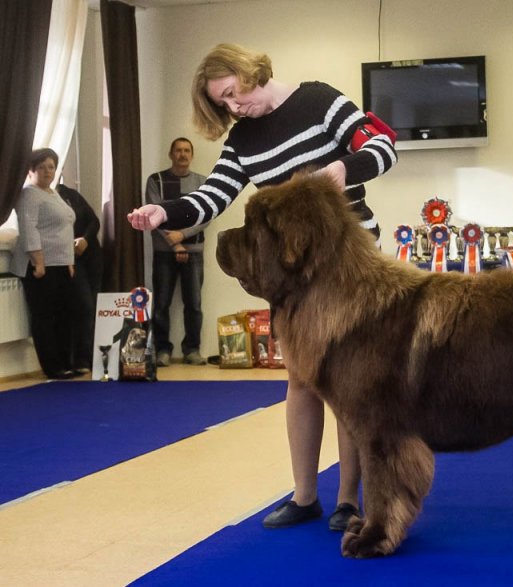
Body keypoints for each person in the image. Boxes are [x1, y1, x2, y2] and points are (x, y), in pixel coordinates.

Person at [128, 43, 397, 531]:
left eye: (232, 94)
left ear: (248, 72)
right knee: (300, 381)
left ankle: (348, 501)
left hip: (351, 268)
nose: (233, 108)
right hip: (292, 279)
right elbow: (213, 196)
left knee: (350, 384)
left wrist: (343, 168)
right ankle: (305, 496)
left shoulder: (319, 101)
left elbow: (382, 146)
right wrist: (165, 212)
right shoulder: (242, 140)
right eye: (222, 104)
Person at [11, 148, 77, 379]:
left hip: (61, 265)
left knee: (64, 314)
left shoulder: (52, 193)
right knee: (45, 317)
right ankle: (53, 367)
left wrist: (69, 261)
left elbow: (65, 229)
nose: (48, 171)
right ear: (31, 170)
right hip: (40, 267)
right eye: (42, 167)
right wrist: (38, 262)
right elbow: (29, 229)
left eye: (51, 166)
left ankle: (66, 362)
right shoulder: (29, 194)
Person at [145, 138, 208, 367]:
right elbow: (154, 215)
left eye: (186, 151)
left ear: (192, 155)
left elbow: (206, 216)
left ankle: (192, 350)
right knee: (161, 303)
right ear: (170, 154)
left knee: (194, 304)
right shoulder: (156, 180)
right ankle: (162, 350)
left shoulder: (202, 182)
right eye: (178, 151)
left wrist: (181, 237)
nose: (182, 154)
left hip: (194, 251)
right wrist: (174, 244)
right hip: (164, 252)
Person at [56, 183, 103, 375]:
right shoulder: (36, 197)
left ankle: (91, 358)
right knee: (84, 306)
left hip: (91, 256)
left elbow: (94, 221)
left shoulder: (69, 193)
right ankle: (79, 359)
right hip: (68, 259)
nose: (49, 171)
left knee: (92, 307)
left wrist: (85, 238)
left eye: (51, 167)